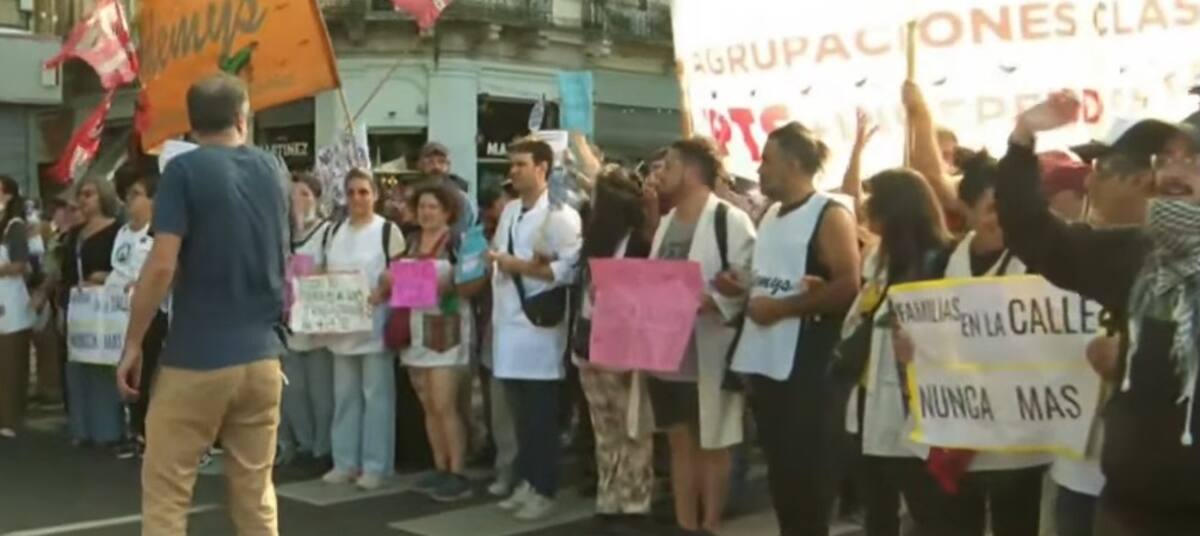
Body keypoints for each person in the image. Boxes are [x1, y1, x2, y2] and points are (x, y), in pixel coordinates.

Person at [996, 91, 1200, 535]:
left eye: (1194, 159)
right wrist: (1023, 136)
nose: (1174, 170)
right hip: (1128, 511)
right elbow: (1035, 234)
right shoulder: (1138, 254)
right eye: (1167, 159)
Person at [116, 73, 291, 536]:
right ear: (242, 117)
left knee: (167, 493)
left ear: (192, 125)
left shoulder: (183, 172)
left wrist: (133, 343)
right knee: (255, 493)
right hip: (262, 355)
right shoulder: (274, 168)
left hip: (197, 355)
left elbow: (161, 265)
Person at [729, 122, 862, 536]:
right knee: (782, 476)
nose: (759, 168)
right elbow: (770, 277)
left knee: (809, 478)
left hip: (810, 365)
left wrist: (784, 309)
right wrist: (742, 285)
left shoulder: (829, 213)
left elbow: (847, 285)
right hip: (768, 365)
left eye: (766, 160)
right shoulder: (769, 214)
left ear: (792, 163)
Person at [631, 137, 756, 535]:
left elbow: (749, 278)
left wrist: (716, 297)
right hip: (666, 353)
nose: (659, 175)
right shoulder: (666, 222)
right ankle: (686, 524)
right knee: (679, 443)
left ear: (689, 170)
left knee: (713, 442)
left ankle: (711, 523)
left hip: (707, 348)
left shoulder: (729, 219)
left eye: (666, 166)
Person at [847, 168, 960, 536]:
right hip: (869, 401)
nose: (865, 208)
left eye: (873, 200)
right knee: (877, 511)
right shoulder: (878, 258)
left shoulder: (943, 260)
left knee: (928, 511)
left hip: (917, 409)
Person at [488, 139, 583, 521]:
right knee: (520, 415)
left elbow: (570, 270)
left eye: (521, 164)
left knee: (541, 415)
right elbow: (500, 255)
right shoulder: (510, 210)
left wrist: (520, 266)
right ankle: (526, 480)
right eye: (511, 165)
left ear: (543, 167)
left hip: (539, 327)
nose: (513, 171)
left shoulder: (561, 214)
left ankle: (544, 487)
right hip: (506, 324)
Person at [571, 166, 654, 534]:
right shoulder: (594, 243)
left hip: (625, 345)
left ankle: (634, 499)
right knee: (603, 425)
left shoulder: (638, 242)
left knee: (631, 425)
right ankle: (610, 494)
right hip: (589, 341)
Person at [400, 184, 487, 502]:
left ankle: (458, 470)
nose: (425, 212)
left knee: (445, 404)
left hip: (446, 328)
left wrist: (448, 284)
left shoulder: (458, 243)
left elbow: (472, 282)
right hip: (415, 329)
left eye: (432, 207)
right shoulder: (411, 241)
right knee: (428, 406)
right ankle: (439, 465)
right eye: (422, 206)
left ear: (448, 212)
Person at [321, 168, 405, 490]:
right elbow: (322, 272)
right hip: (341, 327)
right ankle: (344, 461)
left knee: (377, 397)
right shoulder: (334, 231)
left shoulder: (388, 231)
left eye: (364, 192)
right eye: (352, 192)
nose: (357, 198)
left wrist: (384, 288)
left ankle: (376, 464)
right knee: (344, 397)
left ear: (376, 195)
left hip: (375, 326)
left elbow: (401, 274)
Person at [108, 164, 167, 459]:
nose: (130, 201)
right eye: (128, 195)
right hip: (120, 313)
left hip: (152, 314)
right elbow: (117, 269)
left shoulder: (159, 233)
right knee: (128, 371)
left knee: (149, 370)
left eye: (137, 195)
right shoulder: (122, 233)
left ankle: (148, 433)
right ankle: (134, 430)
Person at [277, 172, 335, 477]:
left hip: (317, 324)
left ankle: (322, 449)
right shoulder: (283, 235)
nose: (298, 202)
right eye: (293, 196)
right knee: (293, 392)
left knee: (321, 392)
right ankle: (301, 443)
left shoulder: (327, 233)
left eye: (304, 195)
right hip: (289, 325)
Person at [63, 176, 122, 451]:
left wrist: (104, 277)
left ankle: (107, 430)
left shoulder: (117, 231)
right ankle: (81, 428)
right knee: (77, 365)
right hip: (78, 308)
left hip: (106, 310)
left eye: (89, 194)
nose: (83, 200)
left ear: (104, 197)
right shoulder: (75, 234)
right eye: (81, 195)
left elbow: (126, 269)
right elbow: (65, 274)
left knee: (103, 367)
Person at [0, 175, 34, 439]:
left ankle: (10, 418)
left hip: (10, 301)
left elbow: (21, 264)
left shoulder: (15, 226)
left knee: (11, 363)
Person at [419, 141, 477, 238]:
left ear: (448, 166)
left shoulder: (460, 199)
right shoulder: (416, 196)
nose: (436, 167)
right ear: (421, 165)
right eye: (430, 162)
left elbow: (461, 234)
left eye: (441, 162)